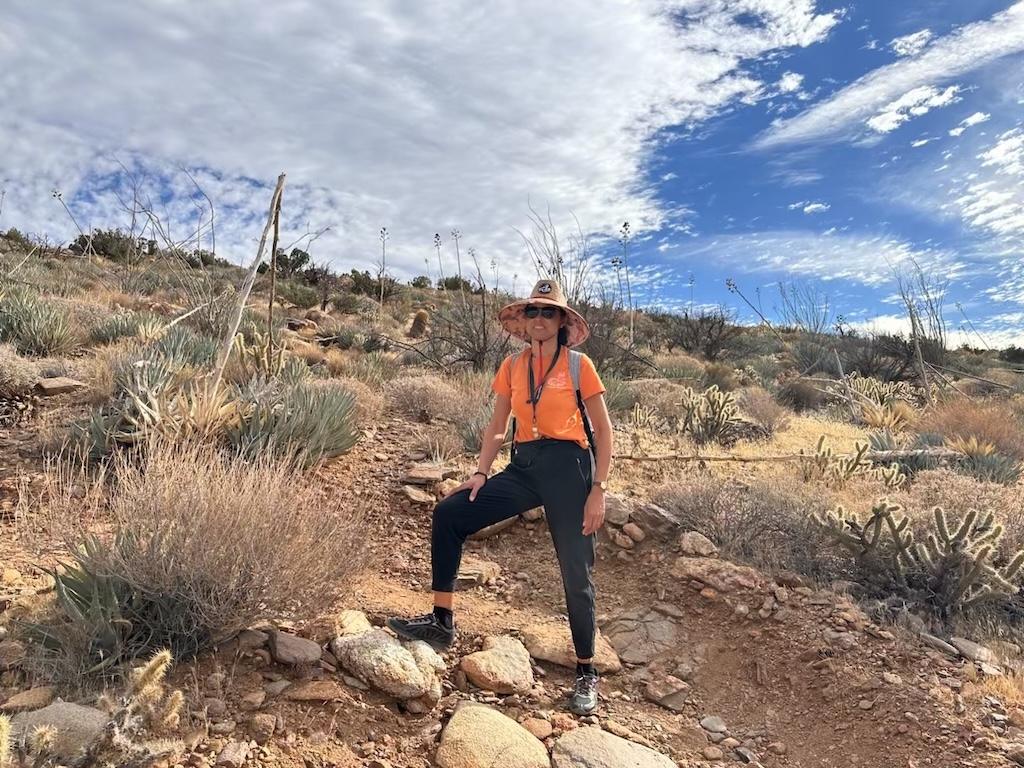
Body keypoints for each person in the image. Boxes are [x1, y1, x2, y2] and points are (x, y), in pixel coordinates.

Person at [388, 279, 614, 715]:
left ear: (563, 322)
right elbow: (496, 426)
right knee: (451, 514)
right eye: (533, 312)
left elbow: (604, 431)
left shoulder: (578, 365)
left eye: (549, 313)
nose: (540, 320)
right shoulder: (513, 365)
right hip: (524, 466)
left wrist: (598, 490)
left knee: (575, 570)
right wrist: (479, 472)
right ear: (524, 321)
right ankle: (441, 621)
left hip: (569, 469)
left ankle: (586, 670)